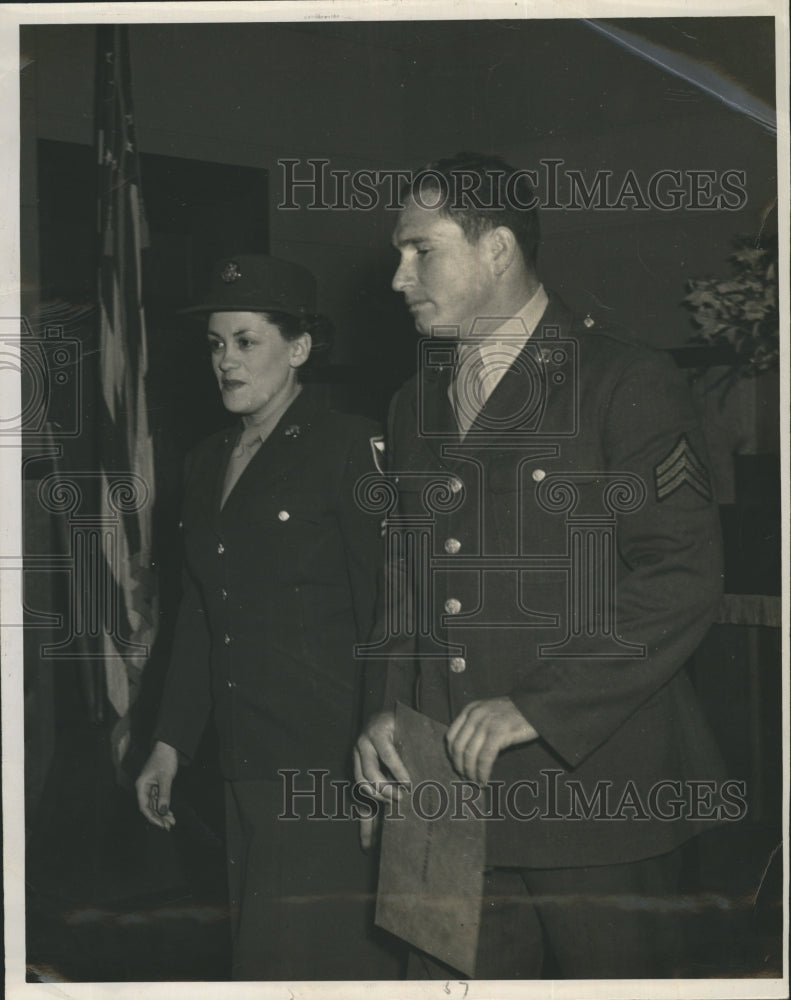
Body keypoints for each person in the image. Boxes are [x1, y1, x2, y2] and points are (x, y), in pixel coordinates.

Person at [355, 153, 729, 979]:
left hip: (596, 797)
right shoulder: (412, 404)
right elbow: (406, 574)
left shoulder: (624, 380)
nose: (397, 277)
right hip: (443, 796)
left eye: (421, 250)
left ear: (496, 250)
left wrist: (539, 703)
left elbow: (678, 577)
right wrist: (386, 709)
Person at [136, 254, 400, 980]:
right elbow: (200, 608)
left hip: (328, 760)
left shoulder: (349, 445)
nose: (225, 361)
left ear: (301, 348)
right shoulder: (205, 459)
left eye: (246, 341)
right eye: (216, 344)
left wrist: (385, 760)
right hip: (241, 756)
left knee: (319, 960)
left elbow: (391, 607)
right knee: (264, 958)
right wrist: (169, 742)